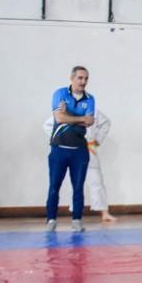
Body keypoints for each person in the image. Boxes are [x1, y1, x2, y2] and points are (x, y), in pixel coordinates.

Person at [46, 66, 95, 232]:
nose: (83, 81)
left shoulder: (90, 99)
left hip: (79, 150)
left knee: (78, 187)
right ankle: (51, 220)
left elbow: (90, 121)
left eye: (86, 78)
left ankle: (77, 221)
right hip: (59, 148)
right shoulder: (60, 94)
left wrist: (70, 116)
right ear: (72, 78)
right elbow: (59, 118)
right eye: (80, 78)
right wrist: (80, 118)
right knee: (54, 186)